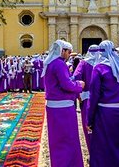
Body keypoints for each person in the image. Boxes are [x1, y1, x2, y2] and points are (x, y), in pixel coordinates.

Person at [88, 40, 119, 166]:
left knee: (103, 145)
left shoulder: (99, 68)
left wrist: (89, 119)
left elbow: (94, 95)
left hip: (105, 113)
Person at [43, 39, 85, 167]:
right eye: (68, 52)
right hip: (63, 107)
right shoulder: (59, 64)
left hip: (53, 106)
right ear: (62, 51)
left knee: (57, 139)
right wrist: (79, 85)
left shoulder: (50, 63)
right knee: (68, 138)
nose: (69, 55)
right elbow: (67, 85)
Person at [72, 44, 99, 149]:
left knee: (88, 124)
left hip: (87, 98)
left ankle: (91, 150)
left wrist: (78, 92)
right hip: (102, 99)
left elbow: (76, 77)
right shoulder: (103, 63)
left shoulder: (83, 63)